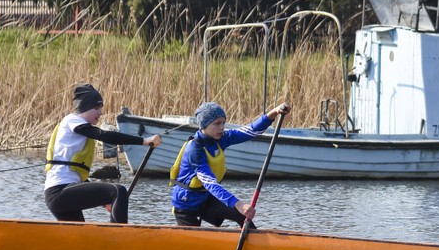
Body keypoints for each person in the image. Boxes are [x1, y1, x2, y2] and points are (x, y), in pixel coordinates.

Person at [44, 84, 162, 223]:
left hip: (62, 193)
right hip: (59, 191)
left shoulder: (79, 130)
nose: (100, 112)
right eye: (96, 108)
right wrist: (144, 141)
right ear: (84, 108)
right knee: (118, 191)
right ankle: (118, 235)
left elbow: (78, 176)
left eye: (101, 108)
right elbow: (104, 135)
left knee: (78, 234)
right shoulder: (72, 120)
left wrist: (104, 201)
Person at [170, 101, 290, 228]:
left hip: (205, 198)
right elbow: (209, 182)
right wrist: (238, 203)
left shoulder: (222, 139)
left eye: (223, 123)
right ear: (204, 125)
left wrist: (274, 112)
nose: (222, 128)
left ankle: (258, 240)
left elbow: (251, 130)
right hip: (186, 204)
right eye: (217, 124)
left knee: (242, 215)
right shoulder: (194, 149)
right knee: (196, 239)